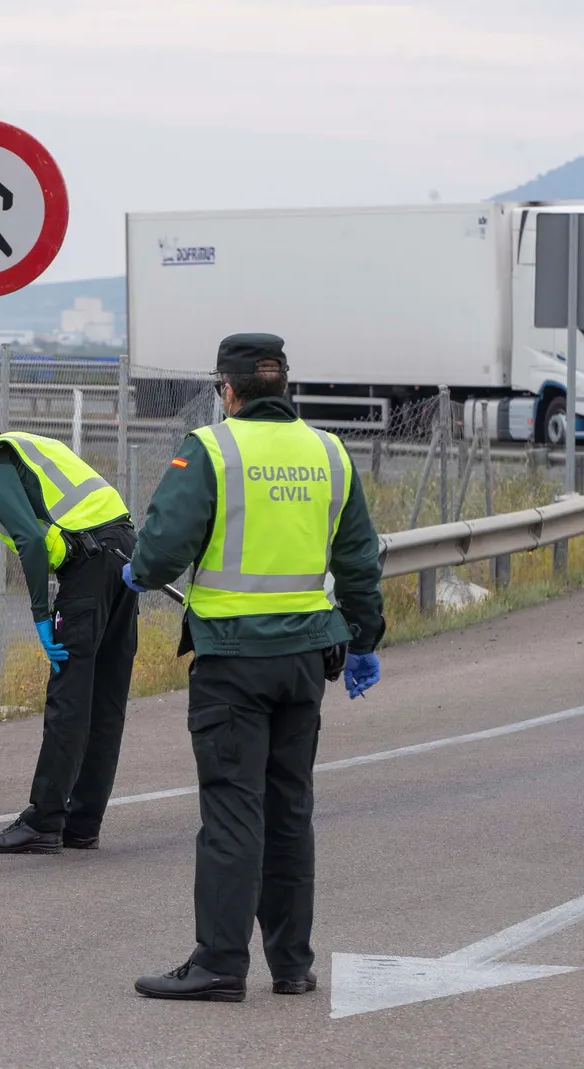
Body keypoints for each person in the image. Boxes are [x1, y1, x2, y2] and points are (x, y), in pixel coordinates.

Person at [125, 333, 384, 1003]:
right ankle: (293, 963)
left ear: (229, 390)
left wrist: (137, 569)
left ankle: (218, 963)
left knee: (235, 813)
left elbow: (158, 553)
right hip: (306, 660)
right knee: (289, 810)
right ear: (285, 386)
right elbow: (359, 558)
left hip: (234, 663)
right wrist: (364, 637)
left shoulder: (211, 449)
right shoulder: (329, 452)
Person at [0, 392, 138, 854]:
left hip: (88, 566)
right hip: (122, 553)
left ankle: (43, 820)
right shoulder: (28, 445)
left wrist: (41, 615)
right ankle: (83, 824)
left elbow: (31, 540)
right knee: (105, 701)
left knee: (69, 698)